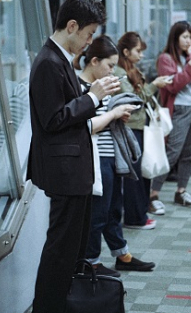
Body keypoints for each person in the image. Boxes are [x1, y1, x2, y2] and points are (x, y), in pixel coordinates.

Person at [28, 0, 118, 313]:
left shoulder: (58, 59)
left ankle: (61, 305)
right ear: (72, 26)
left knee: (70, 252)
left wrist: (94, 98)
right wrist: (92, 98)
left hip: (72, 171)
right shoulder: (48, 62)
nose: (89, 41)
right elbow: (53, 119)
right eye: (89, 33)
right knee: (60, 252)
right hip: (64, 172)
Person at [75, 35, 155, 277]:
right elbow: (84, 126)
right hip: (95, 158)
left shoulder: (101, 85)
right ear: (94, 61)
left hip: (110, 156)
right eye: (110, 65)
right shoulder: (81, 88)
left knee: (113, 210)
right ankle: (92, 262)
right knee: (98, 213)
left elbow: (103, 120)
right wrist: (113, 114)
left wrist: (118, 114)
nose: (112, 70)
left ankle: (122, 254)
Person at [149, 21, 191, 213]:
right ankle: (152, 194)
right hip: (180, 110)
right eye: (184, 37)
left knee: (189, 154)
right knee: (172, 153)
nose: (188, 41)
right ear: (175, 38)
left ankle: (181, 191)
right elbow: (173, 85)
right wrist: (190, 67)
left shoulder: (188, 56)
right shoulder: (165, 59)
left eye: (190, 37)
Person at [114, 32, 172, 223]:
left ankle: (140, 214)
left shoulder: (131, 69)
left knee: (142, 171)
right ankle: (135, 217)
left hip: (140, 125)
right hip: (130, 127)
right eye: (138, 51)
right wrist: (155, 85)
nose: (141, 55)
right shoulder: (119, 72)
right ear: (125, 51)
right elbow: (133, 99)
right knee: (135, 175)